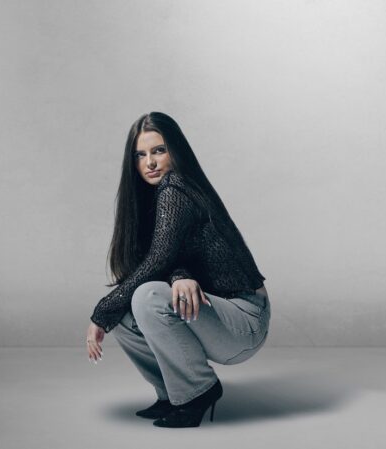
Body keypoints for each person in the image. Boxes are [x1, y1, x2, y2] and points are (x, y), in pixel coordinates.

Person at [85, 112, 270, 428]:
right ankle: (174, 393)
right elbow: (173, 254)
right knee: (125, 314)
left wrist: (100, 314)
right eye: (140, 155)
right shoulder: (153, 197)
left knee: (146, 296)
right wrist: (179, 276)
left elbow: (158, 260)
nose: (150, 162)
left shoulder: (176, 187)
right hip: (214, 313)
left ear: (176, 150)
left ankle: (198, 391)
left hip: (245, 318)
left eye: (159, 150)